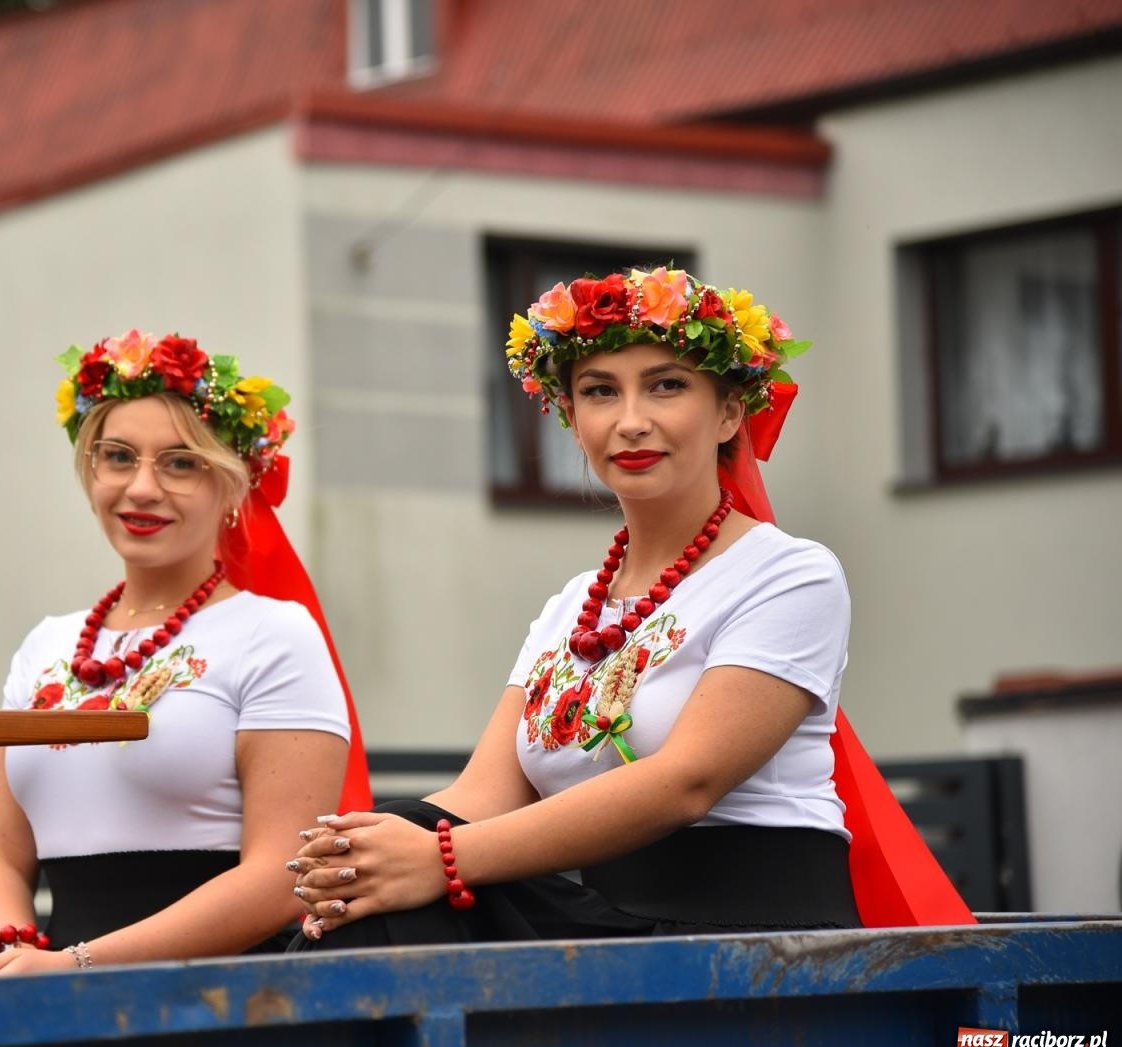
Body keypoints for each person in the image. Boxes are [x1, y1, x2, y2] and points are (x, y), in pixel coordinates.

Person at [289, 267, 964, 946]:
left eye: (666, 385)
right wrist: (356, 847)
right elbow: (480, 799)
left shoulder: (789, 574)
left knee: (410, 884)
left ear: (731, 412)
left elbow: (685, 782)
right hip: (610, 922)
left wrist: (438, 860)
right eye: (600, 392)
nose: (631, 421)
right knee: (392, 841)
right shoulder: (569, 608)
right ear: (572, 419)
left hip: (750, 933)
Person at [0, 330, 371, 975]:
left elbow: (279, 874)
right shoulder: (45, 645)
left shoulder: (273, 634)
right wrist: (13, 954)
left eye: (181, 463)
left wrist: (78, 967)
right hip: (47, 993)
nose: (142, 487)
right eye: (118, 457)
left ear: (234, 486)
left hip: (218, 995)